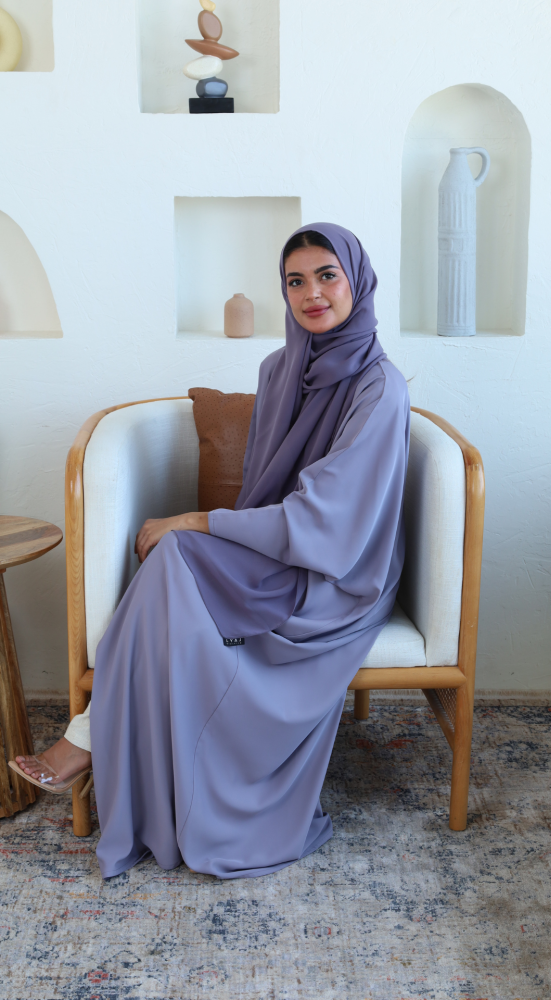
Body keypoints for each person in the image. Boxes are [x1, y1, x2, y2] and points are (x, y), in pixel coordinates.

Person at [12, 223, 410, 880]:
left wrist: (198, 520)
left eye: (327, 275)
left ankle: (86, 737)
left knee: (176, 549)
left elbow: (329, 519)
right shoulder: (279, 368)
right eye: (295, 281)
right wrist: (214, 534)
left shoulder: (380, 387)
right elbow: (262, 489)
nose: (312, 294)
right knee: (173, 561)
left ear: (357, 281)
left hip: (338, 569)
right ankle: (93, 738)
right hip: (278, 542)